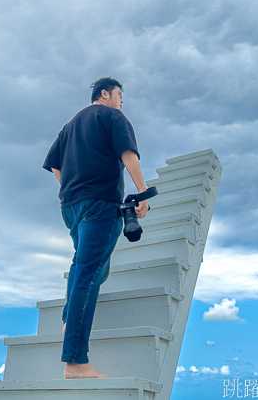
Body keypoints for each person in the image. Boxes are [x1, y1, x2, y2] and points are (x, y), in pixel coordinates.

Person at [43, 77, 149, 379]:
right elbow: (128, 154)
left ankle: (69, 318)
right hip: (100, 203)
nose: (120, 102)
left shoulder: (69, 126)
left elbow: (55, 166)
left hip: (71, 206)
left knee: (86, 265)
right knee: (90, 273)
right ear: (105, 94)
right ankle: (76, 362)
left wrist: (74, 187)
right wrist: (141, 193)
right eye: (119, 96)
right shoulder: (113, 116)